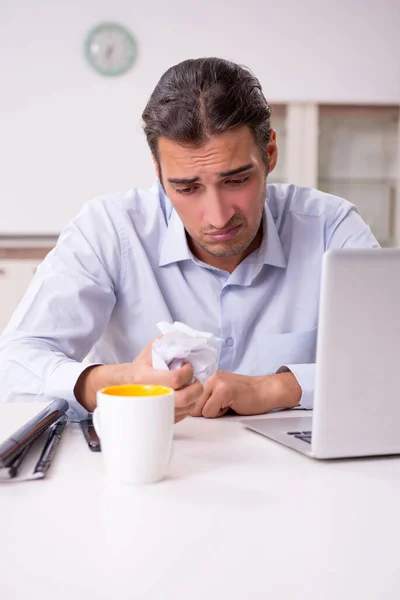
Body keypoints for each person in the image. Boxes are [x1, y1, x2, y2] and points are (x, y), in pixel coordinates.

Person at [0, 57, 379, 422]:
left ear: (270, 153)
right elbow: (14, 368)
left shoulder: (330, 227)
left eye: (236, 180)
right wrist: (118, 382)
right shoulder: (109, 230)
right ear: (159, 172)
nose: (217, 217)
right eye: (186, 187)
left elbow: (387, 362)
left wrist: (276, 389)